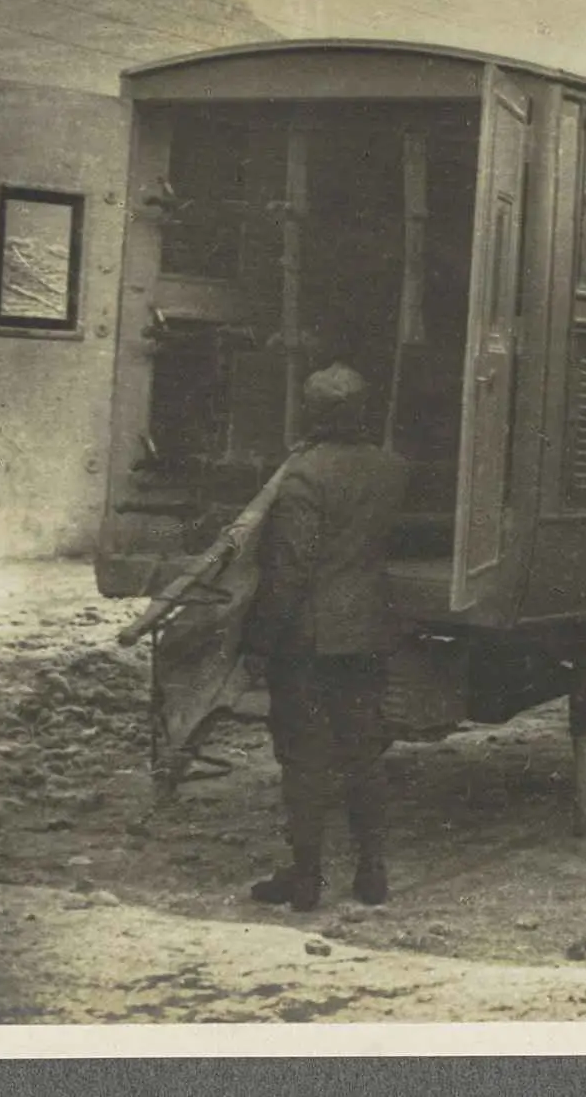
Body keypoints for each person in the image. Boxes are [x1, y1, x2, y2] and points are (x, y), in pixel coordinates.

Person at [243, 364, 411, 912]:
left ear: (312, 413)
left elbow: (289, 571)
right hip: (369, 630)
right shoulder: (391, 469)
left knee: (304, 759)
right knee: (363, 753)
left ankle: (306, 880)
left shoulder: (302, 476)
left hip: (309, 640)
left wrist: (259, 643)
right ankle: (371, 874)